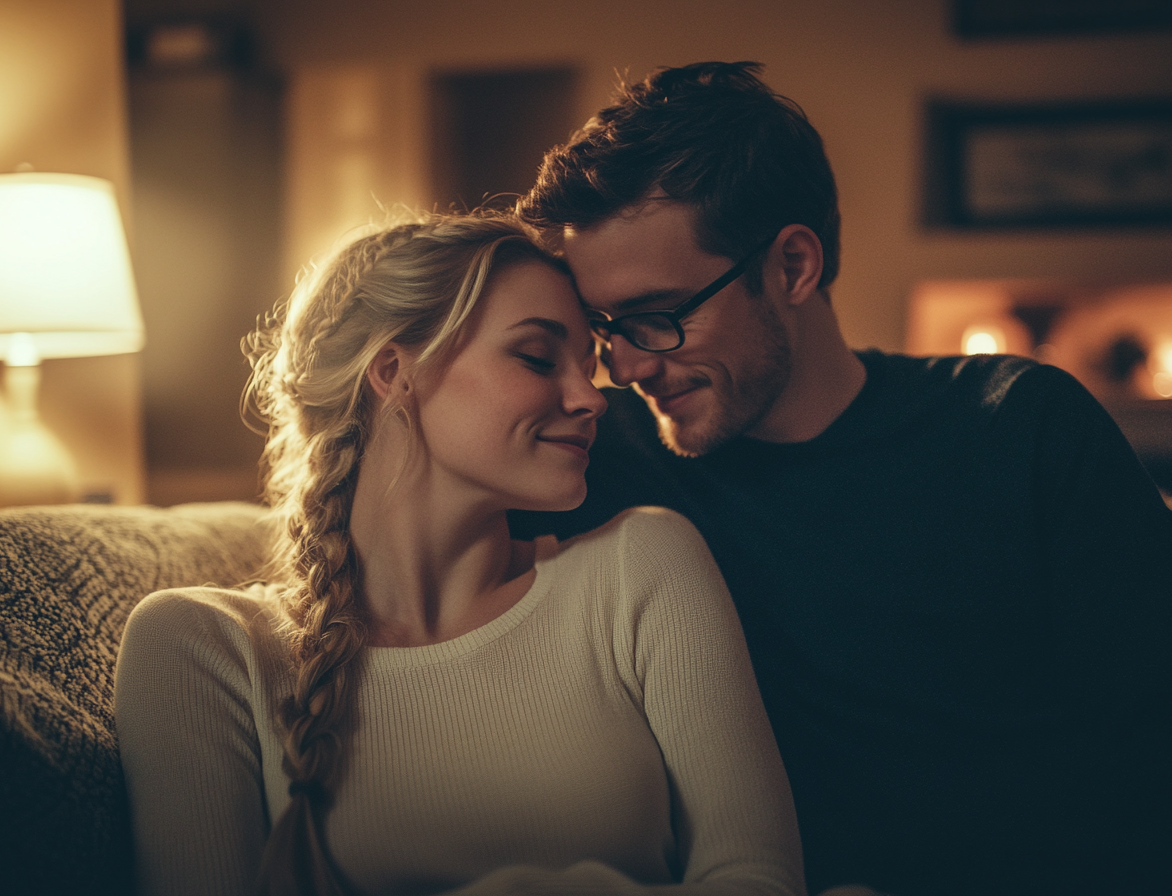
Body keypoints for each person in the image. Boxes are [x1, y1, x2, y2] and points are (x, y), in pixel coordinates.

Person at [510, 62, 1172, 896]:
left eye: (659, 316)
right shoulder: (599, 452)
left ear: (792, 267)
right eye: (606, 326)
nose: (628, 364)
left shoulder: (1022, 429)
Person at [113, 213, 806, 896]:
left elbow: (761, 880)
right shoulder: (204, 649)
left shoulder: (640, 567)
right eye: (537, 358)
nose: (590, 398)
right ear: (394, 372)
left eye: (588, 369)